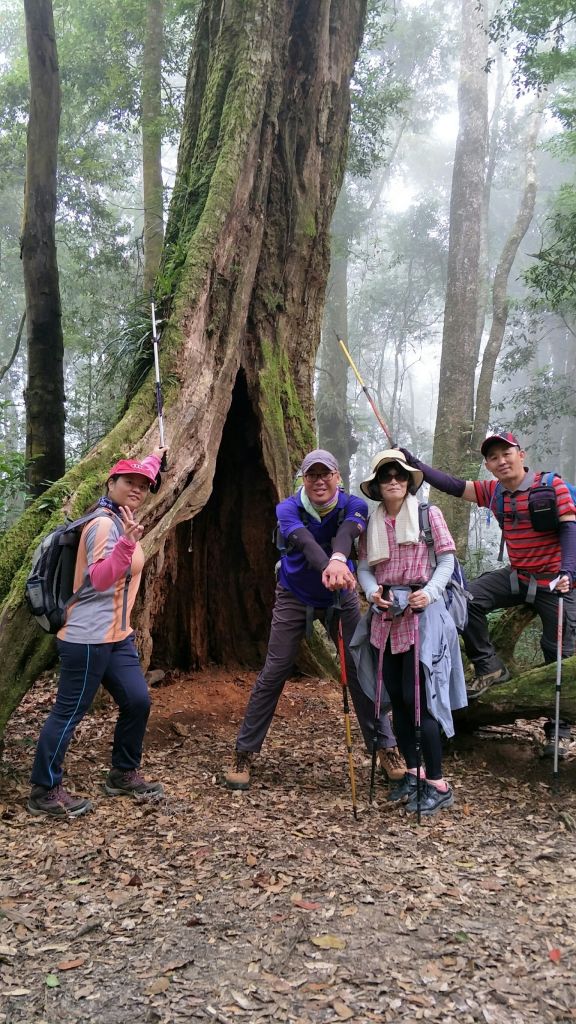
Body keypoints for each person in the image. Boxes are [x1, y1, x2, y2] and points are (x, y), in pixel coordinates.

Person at [224, 448, 405, 791]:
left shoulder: (355, 505)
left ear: (337, 476)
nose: (319, 481)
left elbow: (347, 534)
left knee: (360, 668)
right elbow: (304, 542)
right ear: (303, 480)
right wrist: (331, 566)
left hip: (342, 595)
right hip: (294, 594)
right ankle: (244, 752)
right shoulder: (288, 508)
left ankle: (386, 746)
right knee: (275, 669)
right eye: (312, 475)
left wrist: (338, 559)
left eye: (326, 474)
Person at [400, 432, 576, 756]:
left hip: (555, 581)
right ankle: (489, 666)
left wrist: (568, 571)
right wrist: (417, 465)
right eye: (493, 457)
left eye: (506, 453)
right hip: (518, 577)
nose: (501, 461)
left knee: (559, 651)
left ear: (521, 454)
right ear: (489, 466)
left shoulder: (551, 486)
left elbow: (568, 527)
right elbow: (453, 485)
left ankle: (560, 730)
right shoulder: (494, 492)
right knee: (464, 598)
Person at [27, 448, 167, 817]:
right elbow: (101, 580)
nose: (137, 488)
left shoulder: (121, 518)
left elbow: (143, 472)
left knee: (137, 700)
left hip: (117, 637)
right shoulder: (105, 525)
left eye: (143, 484)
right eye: (129, 482)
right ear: (111, 483)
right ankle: (44, 790)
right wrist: (125, 546)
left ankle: (123, 773)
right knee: (69, 712)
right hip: (87, 637)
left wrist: (155, 459)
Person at [352, 449, 467, 816]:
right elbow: (366, 567)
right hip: (386, 618)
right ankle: (415, 774)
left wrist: (429, 593)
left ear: (408, 480)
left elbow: (446, 559)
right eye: (386, 476)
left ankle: (438, 781)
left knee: (422, 700)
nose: (393, 481)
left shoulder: (427, 514)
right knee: (399, 702)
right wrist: (371, 592)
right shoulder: (373, 523)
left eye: (399, 475)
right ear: (377, 485)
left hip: (423, 614)